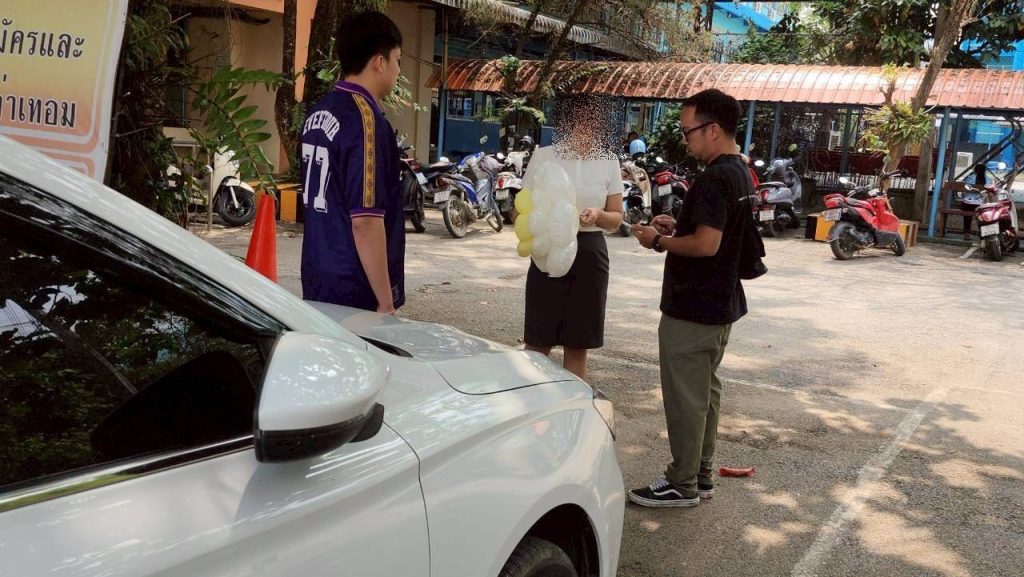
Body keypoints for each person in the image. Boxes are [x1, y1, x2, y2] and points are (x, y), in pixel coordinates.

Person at [627, 89, 753, 508]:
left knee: (686, 398)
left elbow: (706, 244)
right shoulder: (738, 171)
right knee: (704, 394)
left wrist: (657, 240)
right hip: (719, 303)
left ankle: (681, 482)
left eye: (688, 131)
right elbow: (711, 232)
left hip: (694, 306)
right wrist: (678, 226)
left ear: (712, 129)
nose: (685, 139)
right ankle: (700, 473)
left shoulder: (716, 177)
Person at [300, 12, 405, 314]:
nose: (398, 70)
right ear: (379, 62)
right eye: (397, 60)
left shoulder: (318, 112)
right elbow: (365, 220)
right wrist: (385, 300)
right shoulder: (366, 121)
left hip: (318, 276)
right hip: (355, 289)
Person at [523, 95, 624, 380]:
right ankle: (528, 398)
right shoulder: (544, 156)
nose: (584, 126)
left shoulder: (608, 161)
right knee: (538, 341)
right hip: (547, 251)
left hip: (589, 252)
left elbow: (617, 217)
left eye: (591, 120)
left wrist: (598, 215)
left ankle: (574, 403)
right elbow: (522, 208)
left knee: (578, 344)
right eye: (577, 119)